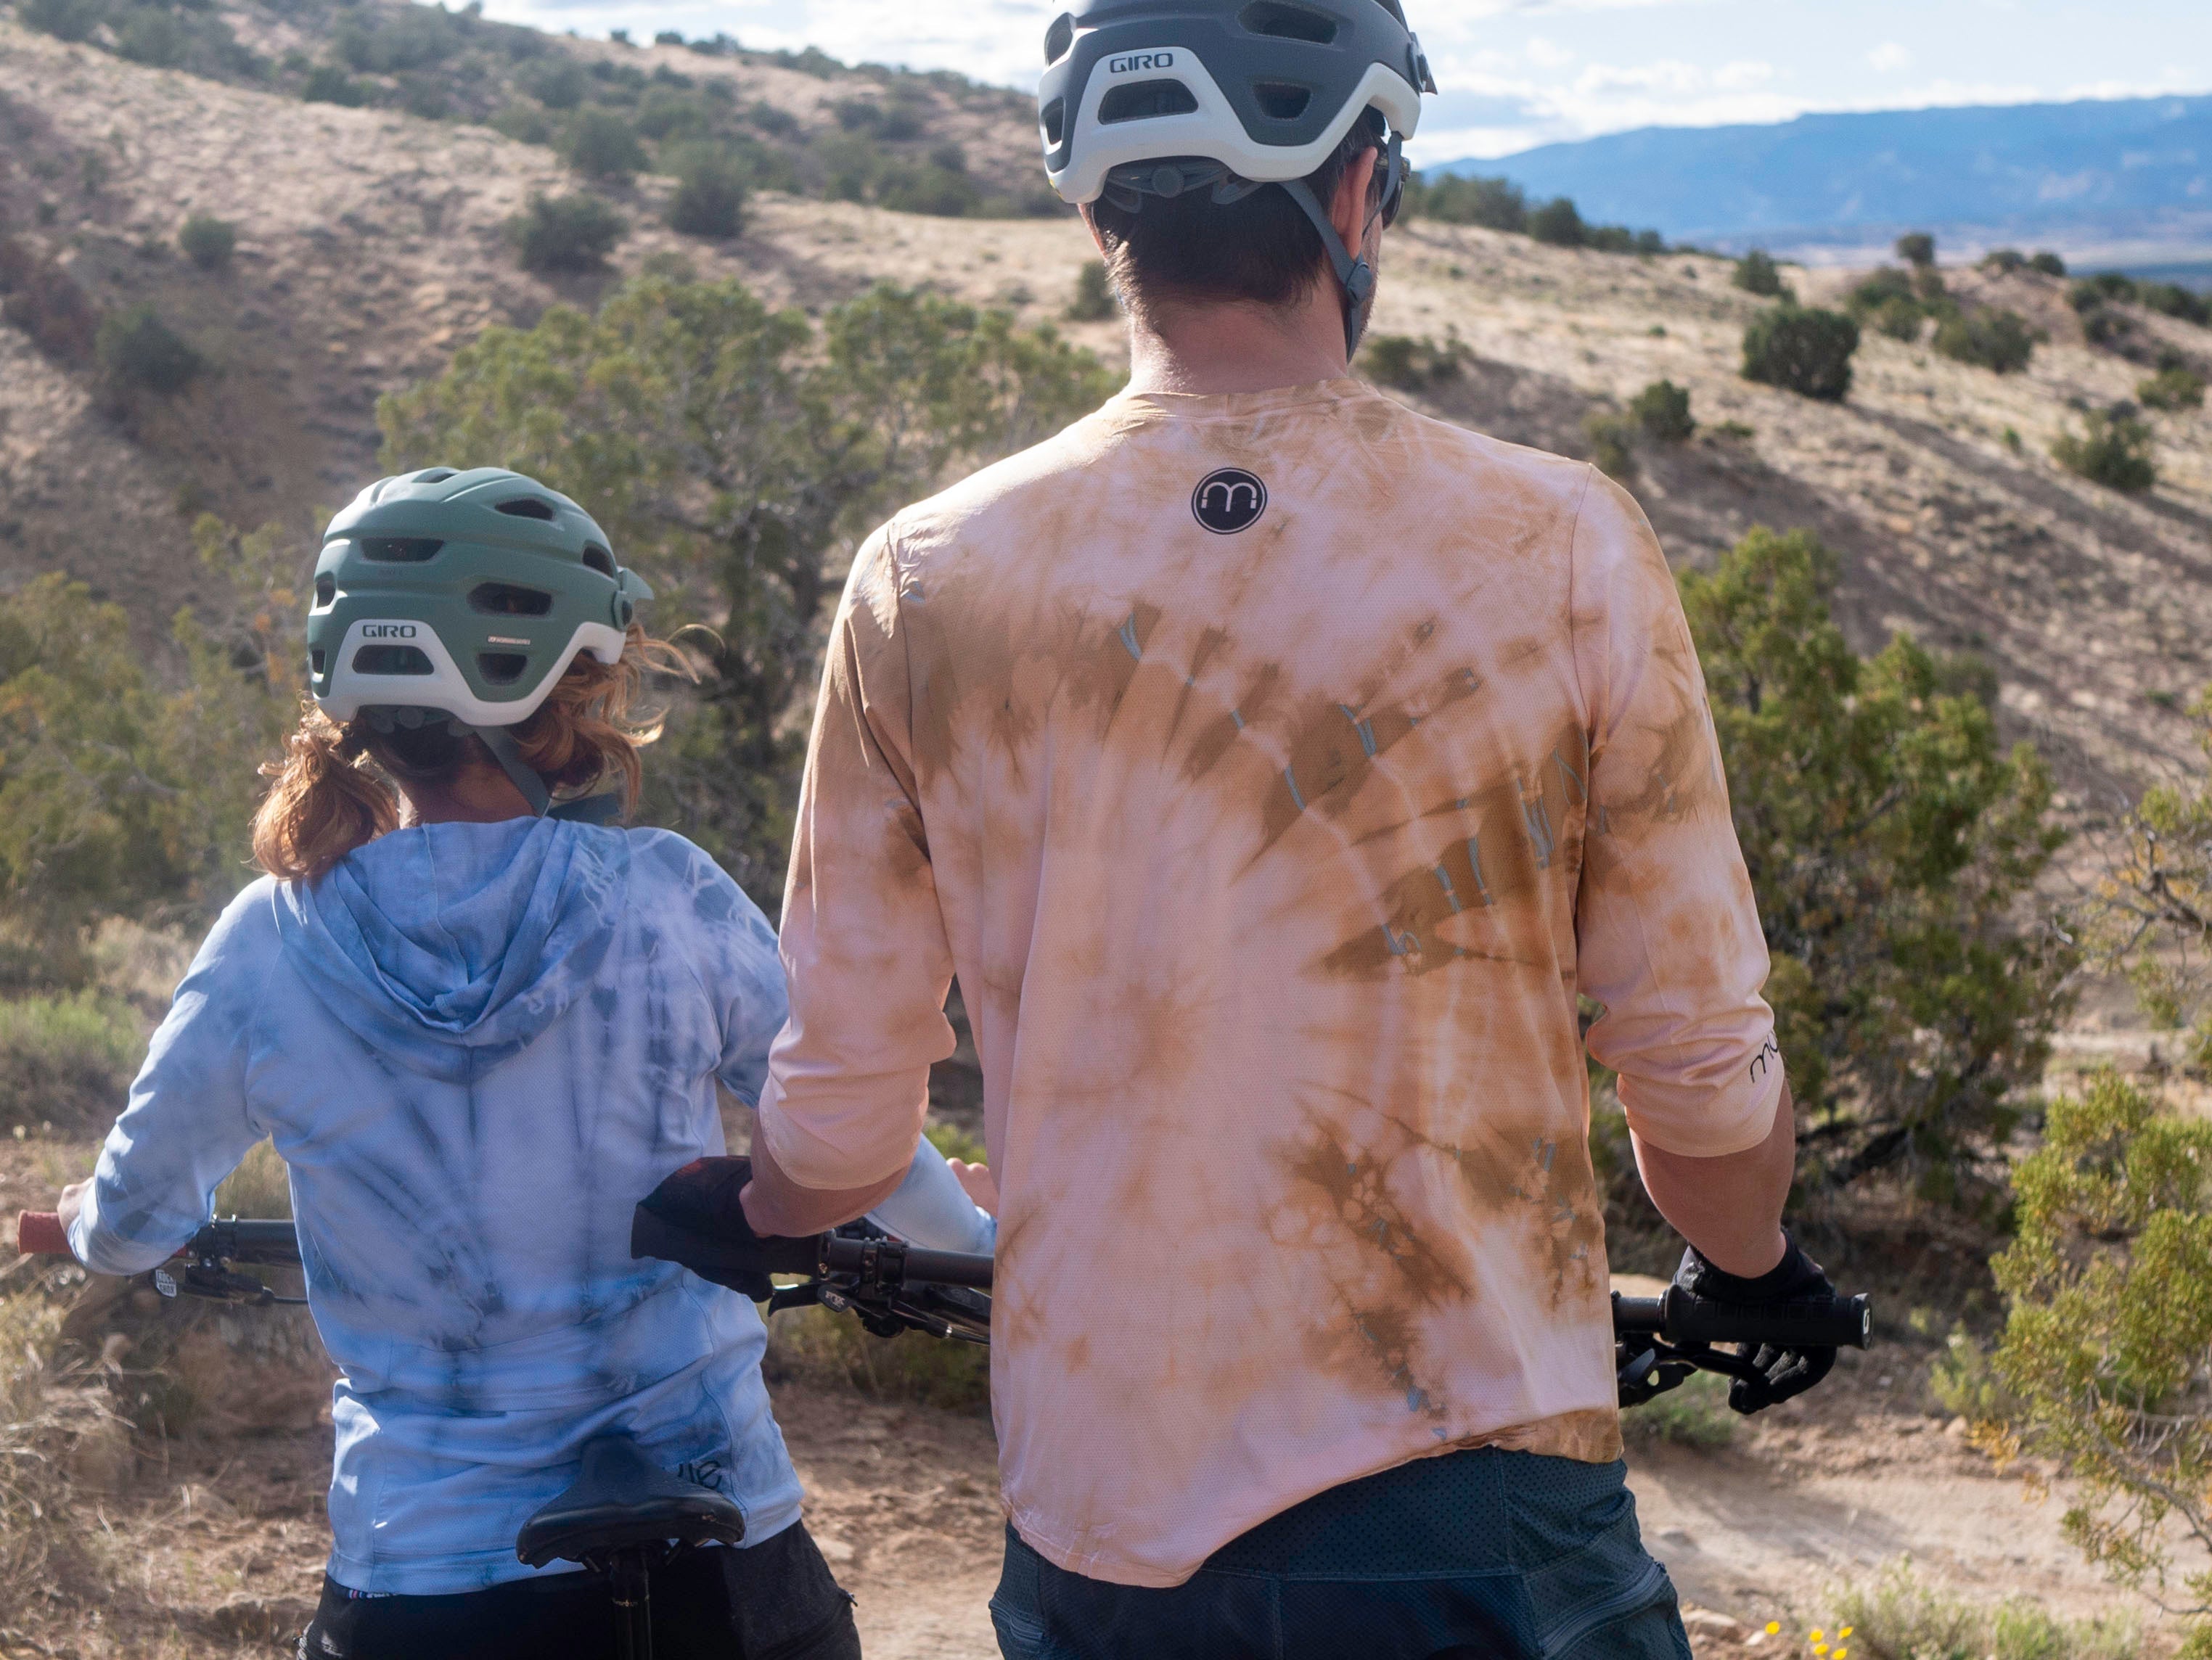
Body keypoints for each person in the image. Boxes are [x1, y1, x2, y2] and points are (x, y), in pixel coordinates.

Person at [739, 3, 1842, 1656]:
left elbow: (834, 1119)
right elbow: (1693, 1067)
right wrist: (1750, 1262)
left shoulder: (923, 578)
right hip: (1473, 1496)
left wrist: (750, 1207)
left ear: (1100, 213)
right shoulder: (1560, 543)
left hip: (1109, 1521)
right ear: (1355, 196)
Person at [55, 467, 970, 1660]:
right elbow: (860, 1129)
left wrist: (92, 1223)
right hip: (723, 1558)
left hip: (426, 1573)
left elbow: (133, 1218)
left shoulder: (269, 941)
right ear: (568, 696)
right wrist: (978, 1252)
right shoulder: (667, 895)